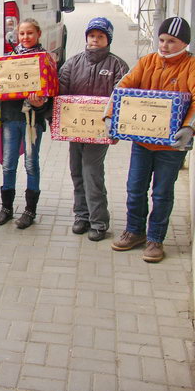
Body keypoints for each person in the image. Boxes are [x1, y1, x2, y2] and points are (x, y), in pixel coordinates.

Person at [106, 16, 195, 263]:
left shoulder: (191, 66)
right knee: (135, 188)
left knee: (162, 192)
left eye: (172, 41)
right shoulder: (146, 62)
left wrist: (188, 128)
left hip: (172, 146)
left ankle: (156, 238)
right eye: (162, 39)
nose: (165, 45)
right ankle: (134, 231)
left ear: (184, 43)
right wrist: (110, 117)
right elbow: (122, 89)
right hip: (142, 142)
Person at [58, 17, 128, 241]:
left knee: (92, 173)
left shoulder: (117, 65)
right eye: (92, 36)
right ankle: (82, 216)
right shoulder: (73, 62)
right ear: (86, 37)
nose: (95, 40)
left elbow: (122, 99)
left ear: (108, 39)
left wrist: (115, 128)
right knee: (77, 171)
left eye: (100, 36)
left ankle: (99, 222)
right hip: (74, 129)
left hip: (99, 132)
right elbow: (61, 90)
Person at [0, 18, 52, 229]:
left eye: (30, 33)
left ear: (38, 34)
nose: (25, 37)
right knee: (9, 163)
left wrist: (40, 104)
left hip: (32, 121)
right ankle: (6, 208)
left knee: (31, 164)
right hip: (10, 119)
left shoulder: (45, 61)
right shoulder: (8, 60)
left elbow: (50, 95)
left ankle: (29, 210)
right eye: (22, 34)